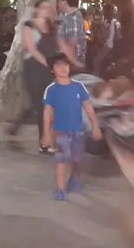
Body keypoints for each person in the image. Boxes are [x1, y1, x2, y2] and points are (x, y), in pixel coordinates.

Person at [13, 0, 78, 154]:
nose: (48, 10)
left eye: (50, 8)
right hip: (33, 71)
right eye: (44, 7)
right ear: (36, 9)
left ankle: (18, 128)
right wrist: (49, 64)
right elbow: (32, 49)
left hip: (48, 71)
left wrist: (75, 61)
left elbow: (63, 46)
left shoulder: (53, 28)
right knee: (43, 107)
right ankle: (44, 144)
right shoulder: (29, 26)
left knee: (47, 105)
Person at [42, 53, 102, 201]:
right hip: (60, 131)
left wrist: (95, 127)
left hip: (78, 130)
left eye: (66, 65)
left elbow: (88, 108)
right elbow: (47, 112)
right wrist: (46, 133)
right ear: (52, 70)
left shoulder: (78, 86)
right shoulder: (51, 89)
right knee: (61, 160)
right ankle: (60, 188)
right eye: (58, 66)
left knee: (77, 159)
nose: (63, 68)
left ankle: (74, 179)